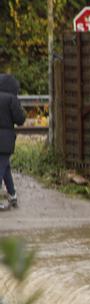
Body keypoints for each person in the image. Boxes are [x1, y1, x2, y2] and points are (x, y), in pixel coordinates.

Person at [0, 74, 24, 211]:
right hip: (5, 141)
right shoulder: (11, 99)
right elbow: (19, 119)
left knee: (5, 168)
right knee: (1, 167)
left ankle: (12, 195)